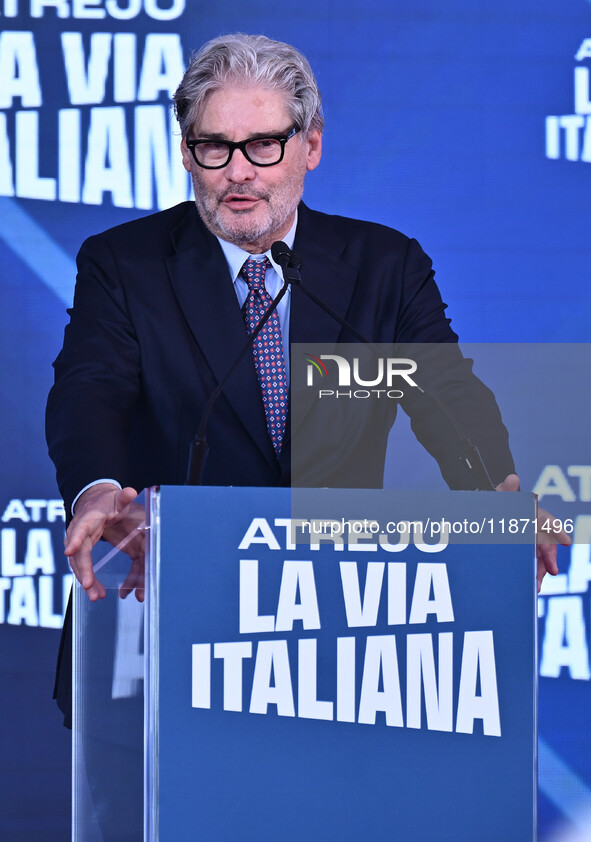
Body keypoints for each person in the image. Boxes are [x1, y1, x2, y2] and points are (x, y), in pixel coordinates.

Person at [46, 33, 568, 721]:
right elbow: (90, 389)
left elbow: (445, 394)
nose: (239, 172)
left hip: (330, 637)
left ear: (310, 147)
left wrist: (496, 491)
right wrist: (99, 489)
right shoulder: (124, 264)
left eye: (263, 144)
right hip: (167, 618)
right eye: (214, 147)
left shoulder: (384, 266)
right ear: (186, 154)